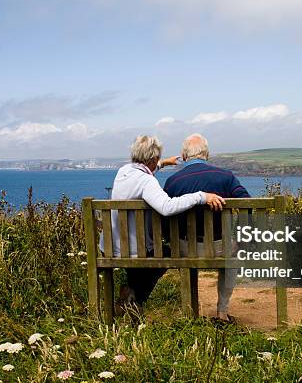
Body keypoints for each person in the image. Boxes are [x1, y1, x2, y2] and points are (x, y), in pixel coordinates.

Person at [103, 135, 225, 308]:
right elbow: (167, 207)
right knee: (168, 252)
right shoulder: (148, 181)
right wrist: (201, 196)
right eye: (157, 159)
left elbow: (144, 171)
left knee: (146, 253)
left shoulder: (123, 171)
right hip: (136, 249)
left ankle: (131, 298)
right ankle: (135, 297)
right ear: (153, 158)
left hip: (113, 245)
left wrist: (164, 163)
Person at [164, 133, 250, 322]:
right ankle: (222, 312)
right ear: (207, 155)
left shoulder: (173, 181)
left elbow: (163, 214)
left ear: (184, 156)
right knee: (233, 254)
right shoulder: (225, 177)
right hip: (220, 247)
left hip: (186, 248)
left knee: (185, 249)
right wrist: (243, 239)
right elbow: (247, 203)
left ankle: (190, 310)